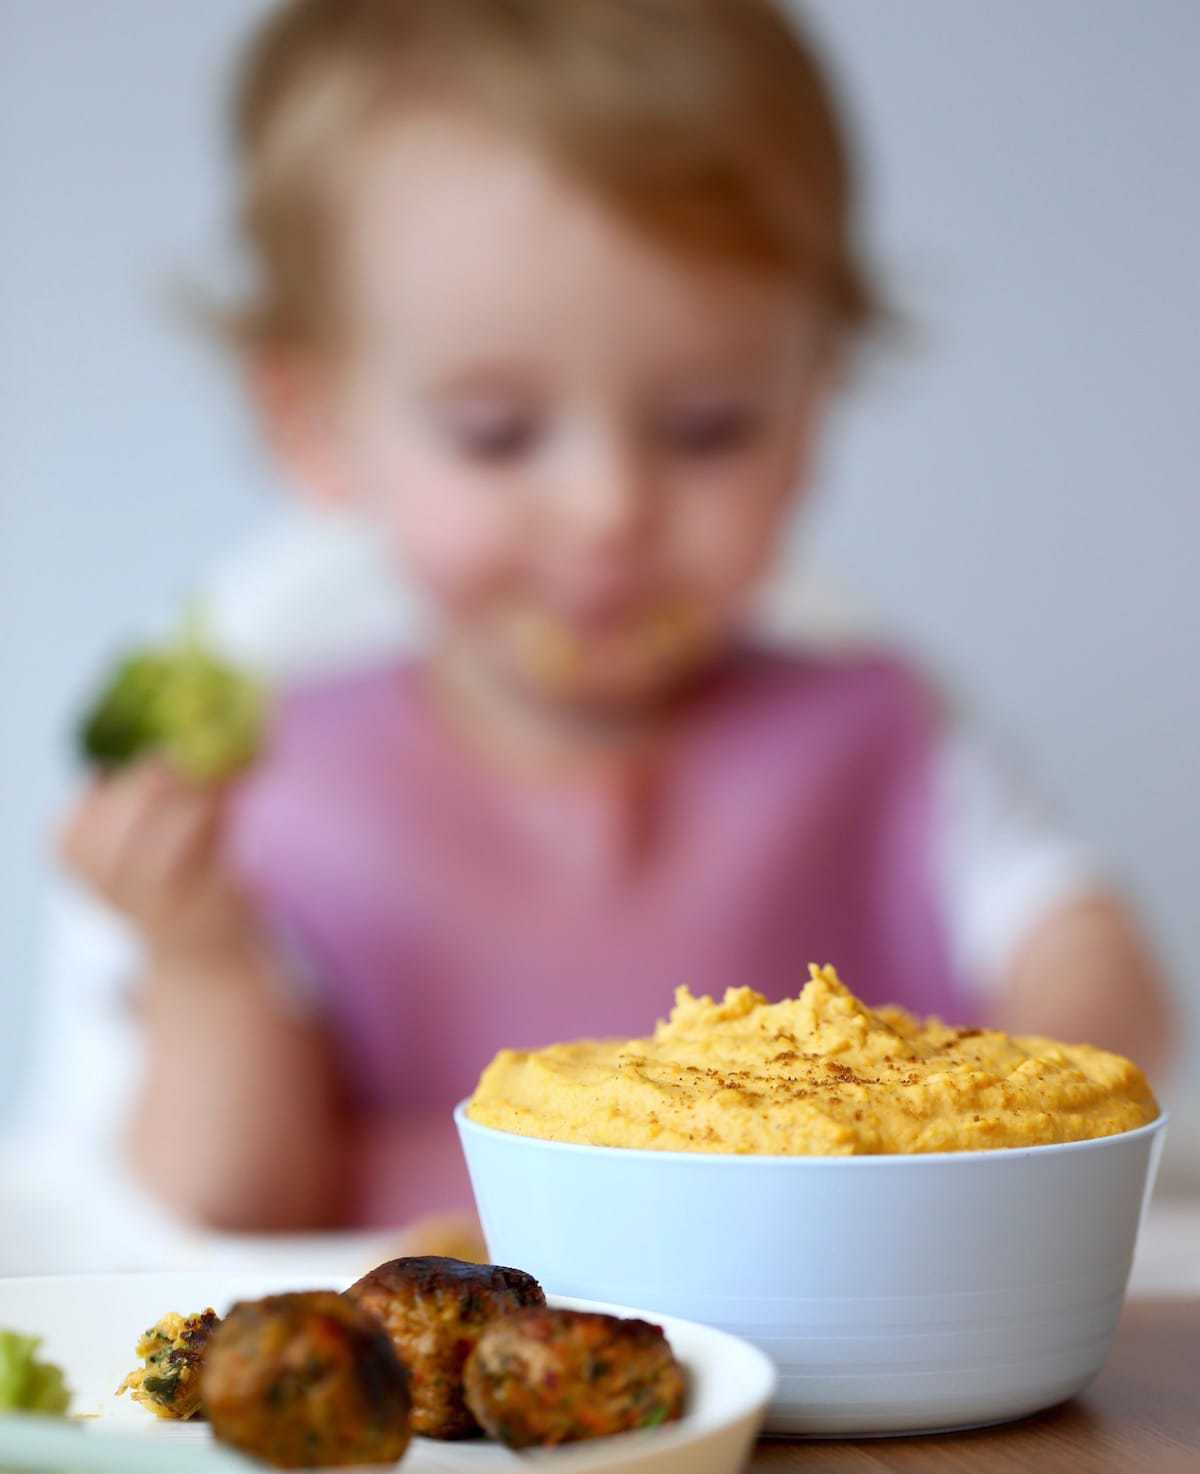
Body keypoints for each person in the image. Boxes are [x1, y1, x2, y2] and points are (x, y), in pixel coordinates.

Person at [59, 0, 1174, 1236]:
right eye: (498, 435)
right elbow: (227, 1199)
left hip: (853, 1387)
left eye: (709, 427)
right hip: (450, 1391)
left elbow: (1103, 982)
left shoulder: (883, 733)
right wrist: (202, 954)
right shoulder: (274, 798)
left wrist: (992, 1106)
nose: (609, 510)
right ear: (316, 425)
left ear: (811, 412)